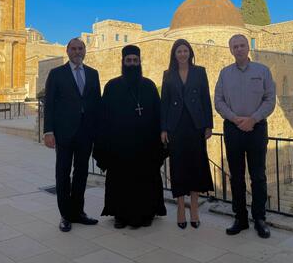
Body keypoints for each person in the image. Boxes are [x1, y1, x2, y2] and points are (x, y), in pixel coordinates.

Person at [93, 45, 167, 228]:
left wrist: (161, 136)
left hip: (145, 146)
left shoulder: (149, 86)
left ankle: (147, 213)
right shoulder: (112, 87)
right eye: (129, 60)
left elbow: (159, 114)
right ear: (123, 62)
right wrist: (103, 143)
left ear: (140, 62)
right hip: (120, 146)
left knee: (146, 180)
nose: (132, 63)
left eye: (135, 60)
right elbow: (103, 117)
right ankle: (120, 215)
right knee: (121, 181)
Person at [214, 34, 276, 238]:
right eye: (235, 46)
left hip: (256, 128)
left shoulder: (262, 71)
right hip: (233, 128)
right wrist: (234, 118)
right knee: (236, 176)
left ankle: (259, 218)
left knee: (258, 176)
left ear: (248, 47)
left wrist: (253, 119)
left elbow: (270, 99)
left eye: (242, 45)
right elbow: (219, 101)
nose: (239, 49)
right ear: (231, 50)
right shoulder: (225, 74)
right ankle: (240, 217)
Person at [43, 38, 101, 232]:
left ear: (85, 51)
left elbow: (96, 104)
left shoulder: (93, 74)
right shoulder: (57, 74)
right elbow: (49, 104)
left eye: (80, 48)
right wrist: (48, 131)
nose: (77, 52)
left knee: (81, 174)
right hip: (64, 133)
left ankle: (78, 212)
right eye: (74, 48)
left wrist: (98, 131)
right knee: (63, 173)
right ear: (67, 51)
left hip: (86, 133)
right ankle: (65, 215)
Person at [160, 39, 213, 229]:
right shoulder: (168, 74)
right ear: (174, 55)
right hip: (176, 126)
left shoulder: (200, 72)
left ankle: (194, 209)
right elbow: (164, 102)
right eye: (179, 51)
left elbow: (205, 99)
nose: (182, 54)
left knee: (196, 166)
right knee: (178, 167)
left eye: (185, 51)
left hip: (195, 125)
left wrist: (208, 125)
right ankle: (181, 208)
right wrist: (163, 128)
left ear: (190, 52)